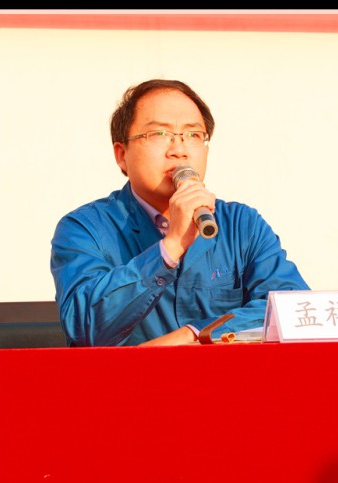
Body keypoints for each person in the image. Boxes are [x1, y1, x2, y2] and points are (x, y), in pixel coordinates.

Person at [50, 78, 310, 347]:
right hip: (129, 376)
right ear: (121, 154)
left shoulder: (242, 226)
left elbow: (292, 310)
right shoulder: (85, 229)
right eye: (159, 134)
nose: (179, 150)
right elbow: (85, 327)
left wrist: (194, 334)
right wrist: (170, 248)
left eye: (193, 135)